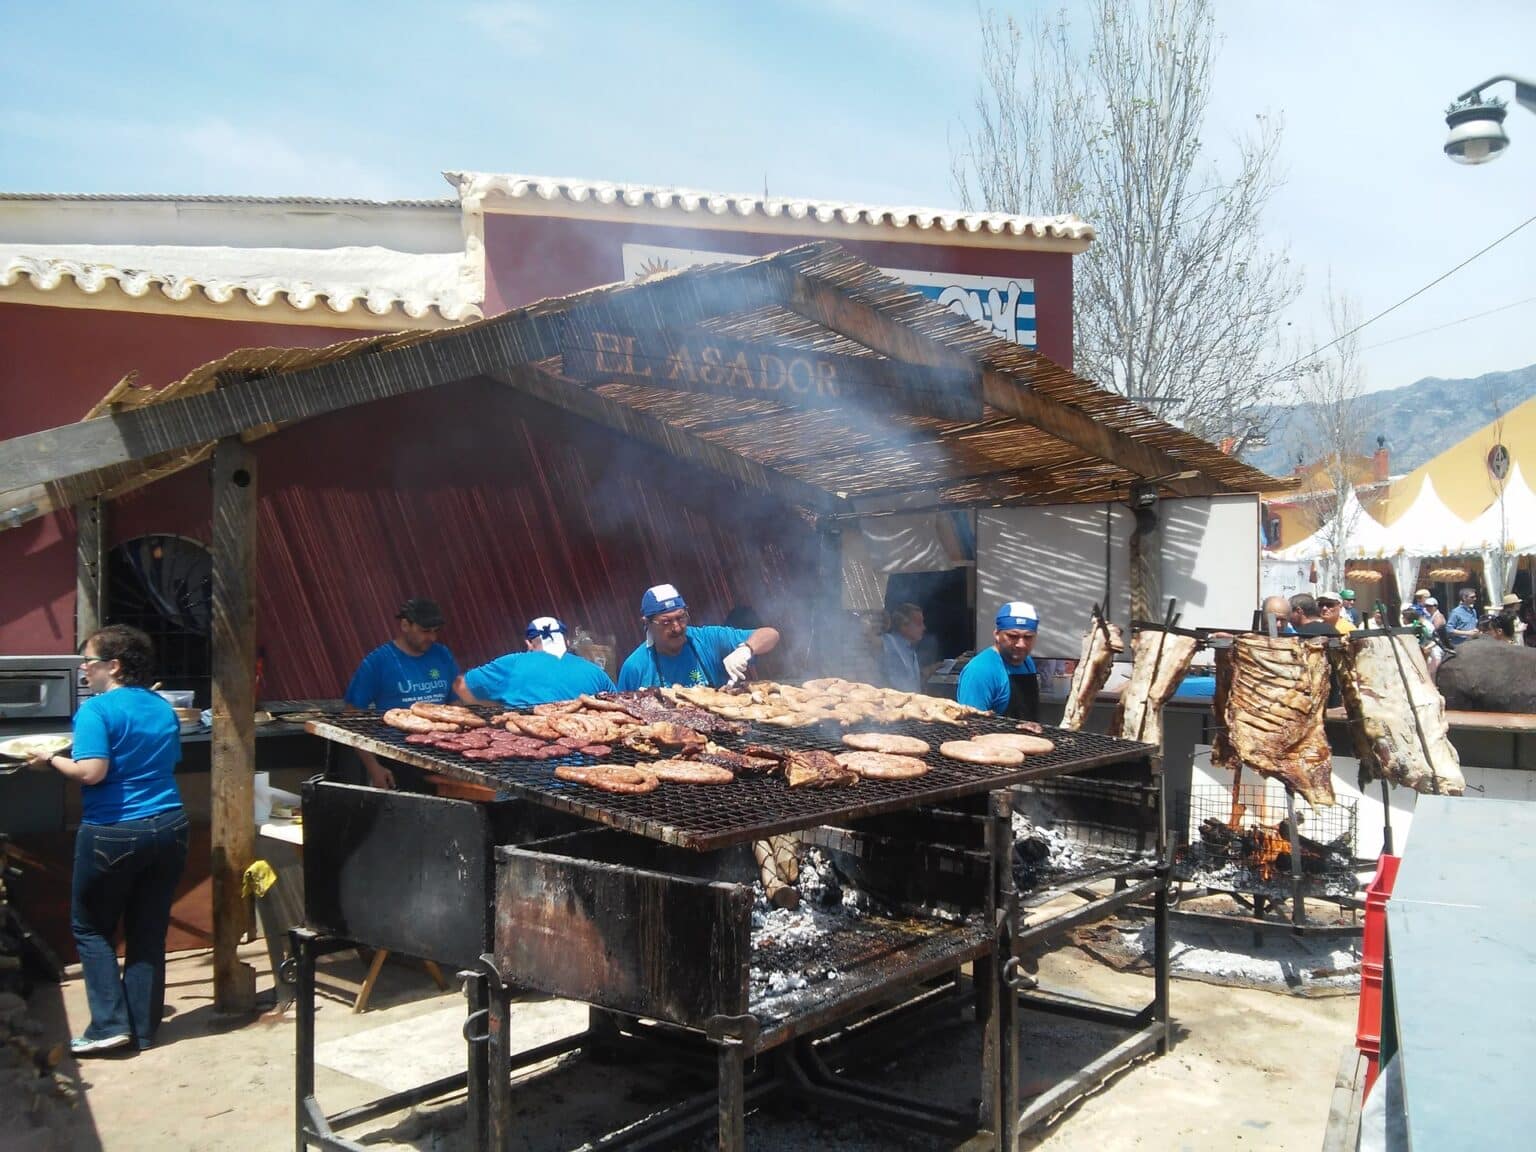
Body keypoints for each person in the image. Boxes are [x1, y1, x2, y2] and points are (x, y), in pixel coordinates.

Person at [28, 625, 187, 1056]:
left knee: (91, 928)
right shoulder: (161, 706)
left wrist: (51, 759)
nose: (84, 670)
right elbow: (169, 759)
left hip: (114, 830)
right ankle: (143, 1029)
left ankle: (108, 1027)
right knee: (148, 930)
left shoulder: (96, 712)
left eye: (90, 662)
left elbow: (92, 772)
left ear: (113, 666)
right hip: (169, 825)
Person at [343, 597, 458, 790]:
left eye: (435, 631)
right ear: (405, 625)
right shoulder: (378, 662)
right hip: (396, 760)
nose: (432, 638)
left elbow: (456, 705)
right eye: (425, 631)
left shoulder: (442, 655)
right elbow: (351, 716)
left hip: (442, 755)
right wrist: (374, 768)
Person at [616, 584, 780, 690]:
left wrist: (747, 649)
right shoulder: (635, 667)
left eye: (681, 617)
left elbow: (770, 634)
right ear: (647, 623)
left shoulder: (708, 638)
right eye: (666, 622)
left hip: (720, 738)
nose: (677, 627)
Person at [455, 616, 616, 707]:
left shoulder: (512, 664)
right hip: (584, 762)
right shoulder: (596, 672)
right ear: (567, 643)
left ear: (529, 644)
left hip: (524, 761)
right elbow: (615, 706)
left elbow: (461, 686)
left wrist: (494, 705)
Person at [957, 602, 1041, 720]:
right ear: (997, 634)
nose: (1021, 645)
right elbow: (971, 726)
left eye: (1028, 637)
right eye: (1013, 636)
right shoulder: (980, 671)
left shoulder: (1027, 662)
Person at [880, 603, 926, 693]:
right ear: (904, 625)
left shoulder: (910, 648)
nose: (924, 627)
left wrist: (936, 667)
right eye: (919, 623)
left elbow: (912, 678)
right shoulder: (888, 642)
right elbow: (870, 637)